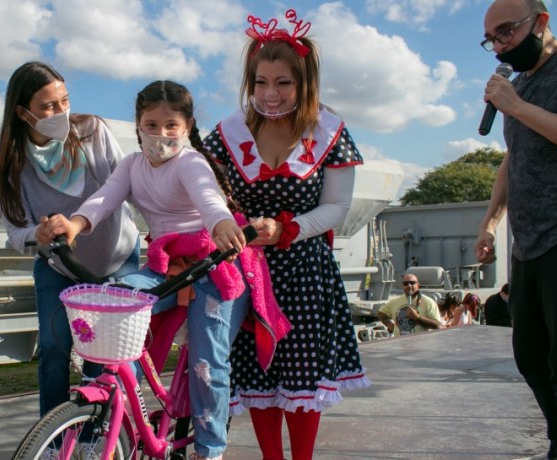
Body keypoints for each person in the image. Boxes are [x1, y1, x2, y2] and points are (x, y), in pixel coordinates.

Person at [46, 80, 289, 460]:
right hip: (165, 265)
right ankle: (112, 409)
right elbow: (104, 199)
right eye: (152, 124)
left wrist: (222, 224)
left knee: (208, 363)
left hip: (214, 264)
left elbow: (208, 199)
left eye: (171, 125)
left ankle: (210, 451)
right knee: (118, 297)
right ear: (138, 126)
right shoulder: (131, 165)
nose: (161, 134)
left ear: (187, 127)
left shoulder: (191, 162)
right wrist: (75, 225)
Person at [202, 11, 371, 460]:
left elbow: (337, 207)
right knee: (257, 370)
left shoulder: (329, 131)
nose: (270, 93)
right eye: (260, 82)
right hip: (245, 268)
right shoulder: (225, 134)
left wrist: (287, 230)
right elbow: (204, 194)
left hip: (304, 270)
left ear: (304, 83)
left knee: (300, 374)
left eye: (283, 83)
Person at [0, 62, 141, 424]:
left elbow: (123, 188)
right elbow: (15, 233)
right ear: (22, 112)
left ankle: (95, 439)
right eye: (48, 106)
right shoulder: (5, 166)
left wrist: (76, 222)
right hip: (59, 266)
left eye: (65, 101)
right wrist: (36, 235)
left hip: (117, 259)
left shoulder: (92, 132)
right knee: (54, 349)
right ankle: (54, 437)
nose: (61, 112)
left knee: (100, 356)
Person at [476, 1, 557, 458]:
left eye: (507, 32)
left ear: (542, 22)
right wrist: (490, 224)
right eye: (492, 38)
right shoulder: (521, 86)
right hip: (528, 244)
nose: (500, 46)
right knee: (531, 358)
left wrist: (515, 105)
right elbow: (512, 160)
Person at [377, 274, 443, 336]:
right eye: (405, 283)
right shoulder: (395, 302)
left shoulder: (428, 302)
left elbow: (438, 326)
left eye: (412, 283)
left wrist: (417, 317)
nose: (409, 285)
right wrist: (392, 327)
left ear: (418, 285)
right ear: (402, 286)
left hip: (421, 345)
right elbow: (381, 313)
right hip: (400, 345)